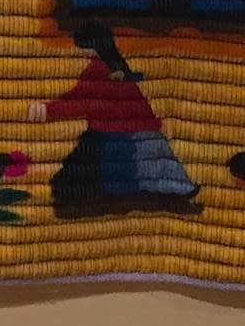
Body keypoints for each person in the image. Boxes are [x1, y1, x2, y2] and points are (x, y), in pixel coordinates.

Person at [30, 23, 199, 219]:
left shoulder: (99, 69)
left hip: (120, 137)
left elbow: (81, 102)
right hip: (139, 134)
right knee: (154, 170)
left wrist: (48, 110)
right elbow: (79, 98)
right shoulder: (114, 66)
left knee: (97, 177)